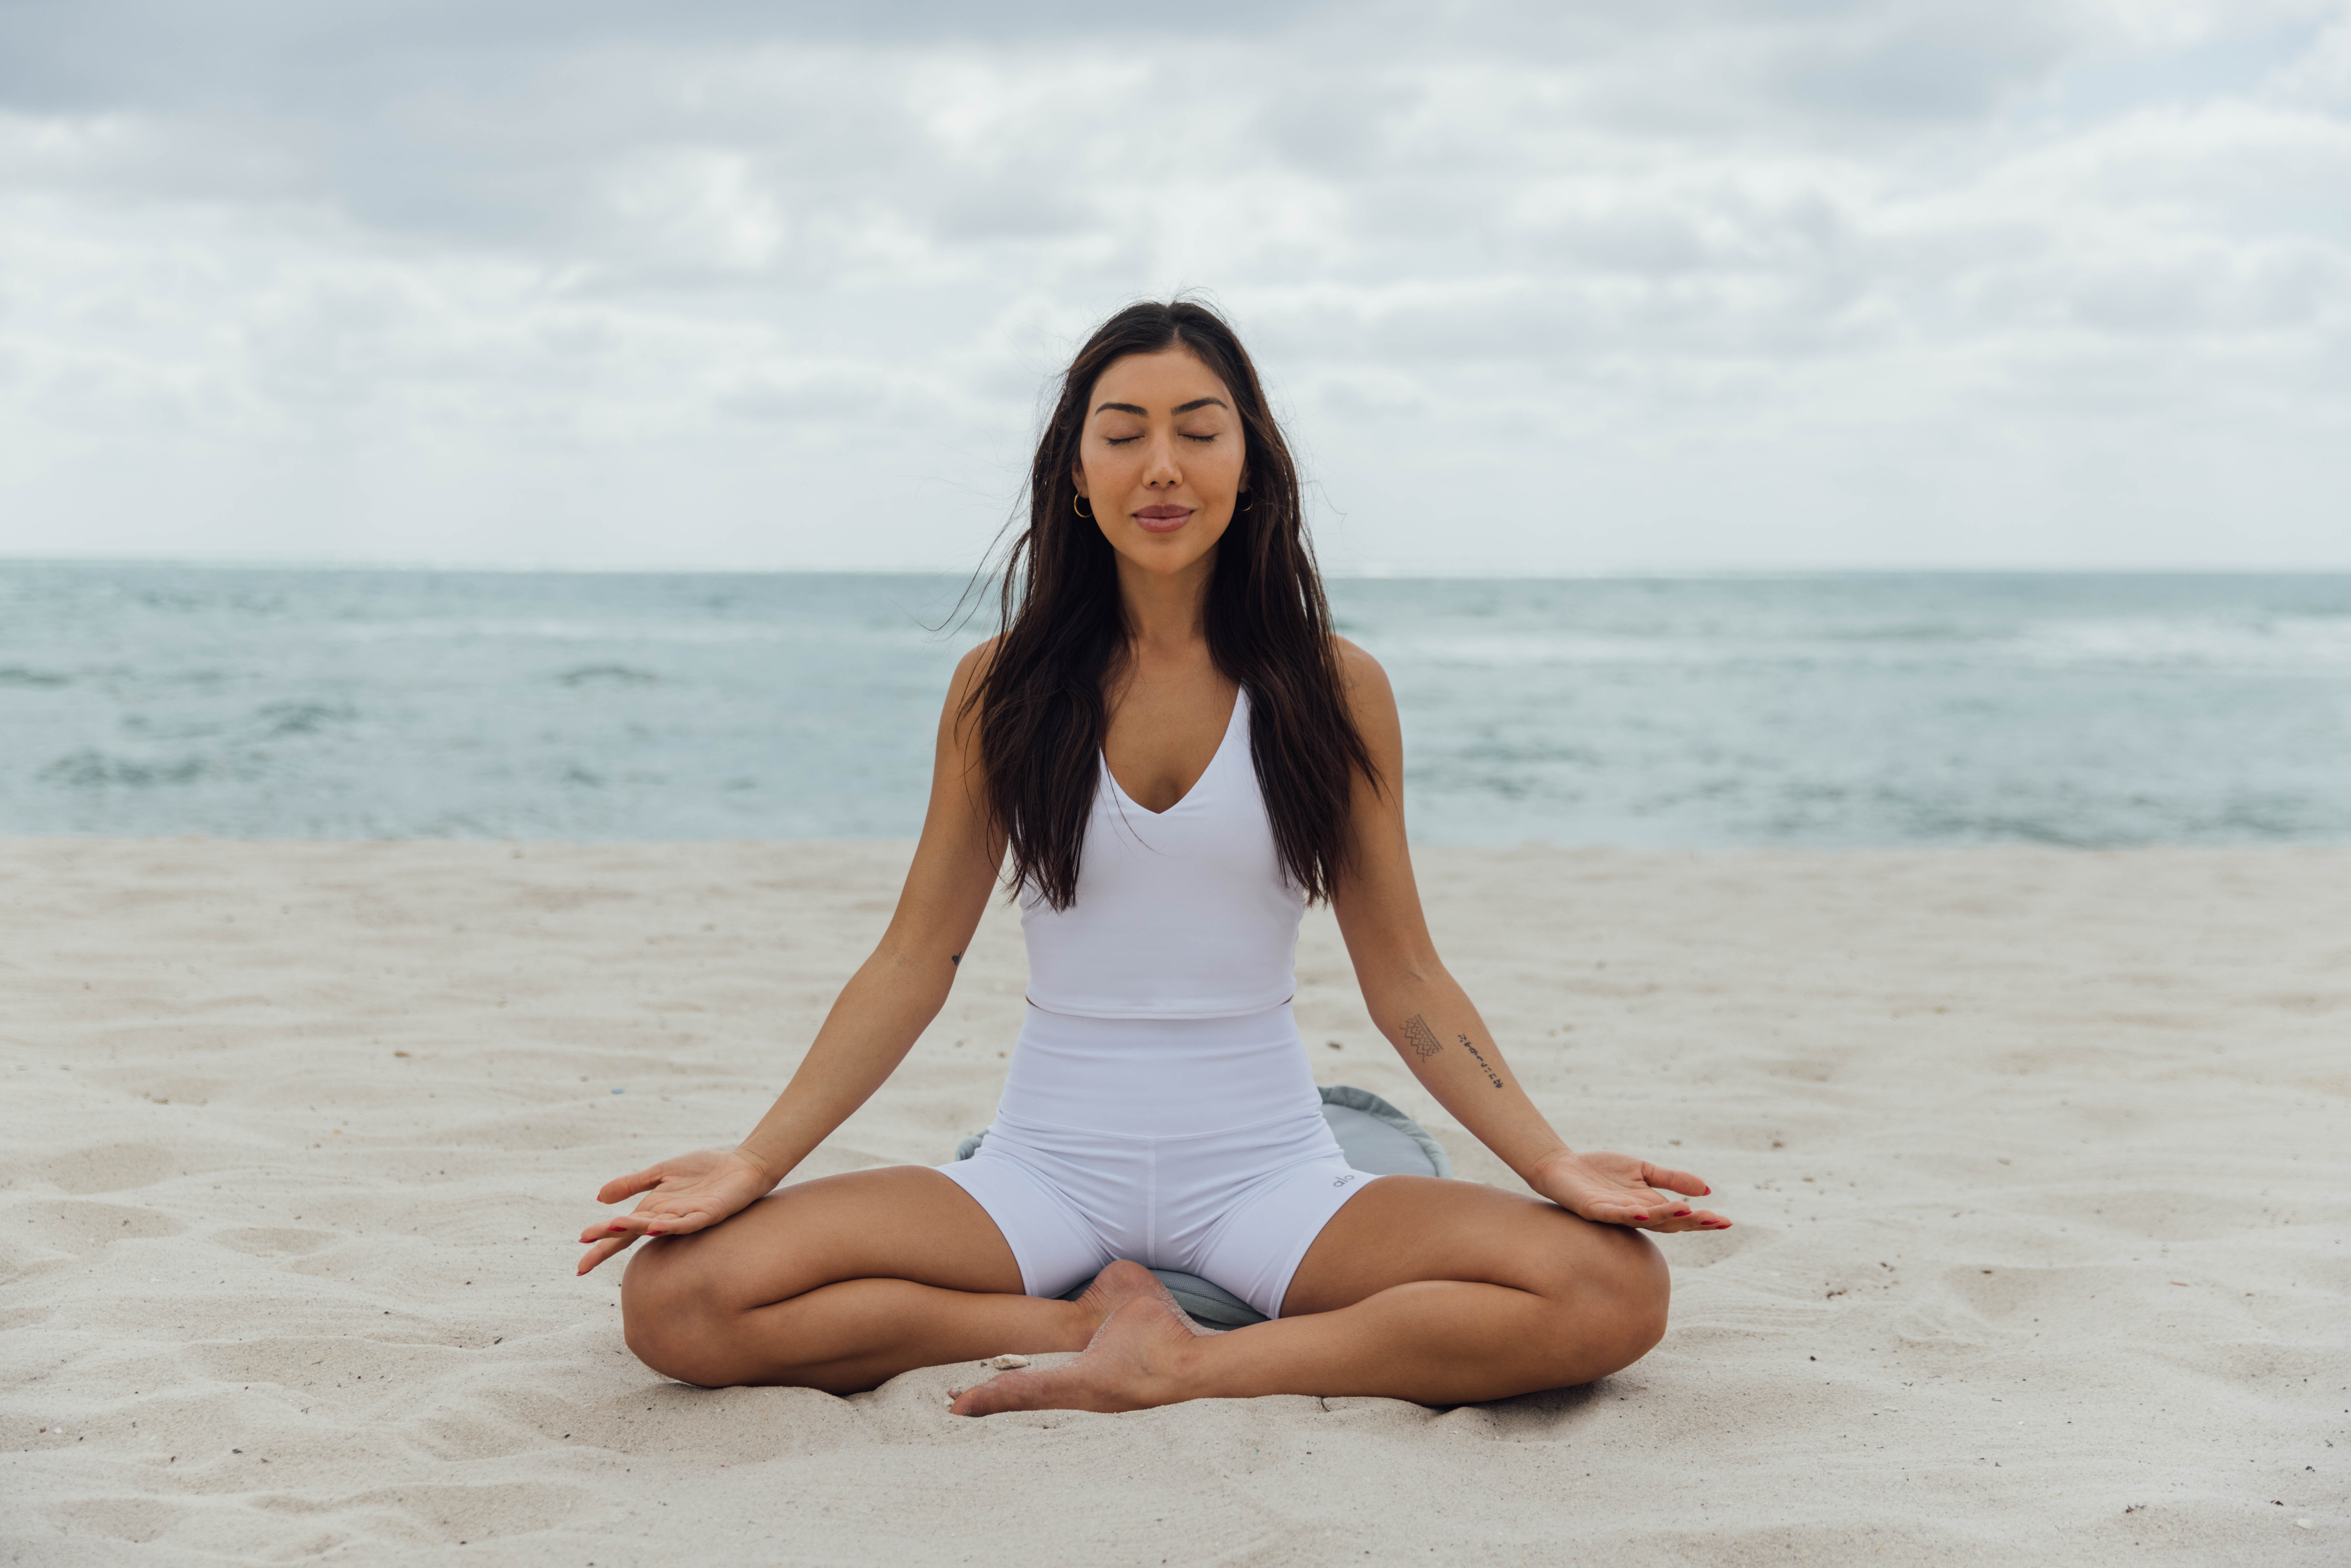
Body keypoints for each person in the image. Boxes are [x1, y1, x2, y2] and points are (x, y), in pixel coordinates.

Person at [575, 300, 1729, 1415]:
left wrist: (1552, 1159)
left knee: (1611, 1289)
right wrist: (750, 1160)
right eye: (1122, 435)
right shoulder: (1003, 688)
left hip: (1268, 1176)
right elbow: (914, 956)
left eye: (1198, 430)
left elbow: (1405, 976)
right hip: (1042, 1170)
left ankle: (1179, 1365)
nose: (1161, 466)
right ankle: (1081, 1327)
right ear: (1076, 475)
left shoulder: (1335, 690)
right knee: (677, 1302)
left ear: (1250, 463)